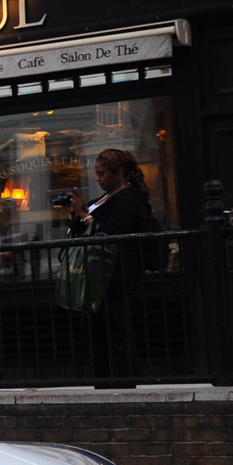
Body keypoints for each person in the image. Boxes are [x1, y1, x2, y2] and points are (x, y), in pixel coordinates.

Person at [67, 148, 155, 385]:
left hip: (116, 274)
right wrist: (77, 215)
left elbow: (114, 232)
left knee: (116, 328)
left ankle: (125, 382)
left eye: (102, 173)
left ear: (118, 173)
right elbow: (87, 229)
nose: (98, 179)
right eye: (96, 173)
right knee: (95, 331)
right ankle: (103, 381)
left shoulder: (129, 200)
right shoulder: (102, 200)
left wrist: (85, 215)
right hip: (95, 275)